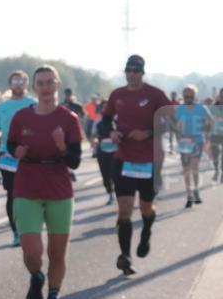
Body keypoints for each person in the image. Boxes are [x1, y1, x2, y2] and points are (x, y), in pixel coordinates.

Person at [8, 66, 83, 299]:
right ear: (35, 87)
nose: (46, 87)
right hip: (27, 185)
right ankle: (36, 276)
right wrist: (16, 151)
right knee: (31, 251)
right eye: (41, 83)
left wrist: (62, 146)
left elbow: (75, 162)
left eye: (50, 83)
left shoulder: (69, 119)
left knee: (57, 253)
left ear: (58, 85)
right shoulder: (21, 117)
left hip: (59, 189)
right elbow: (10, 144)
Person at [97, 54, 174, 276]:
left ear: (142, 72)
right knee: (124, 211)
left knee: (146, 208)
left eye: (135, 71)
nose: (131, 74)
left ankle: (147, 230)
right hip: (124, 159)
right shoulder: (117, 95)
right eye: (128, 71)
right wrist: (111, 131)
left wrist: (148, 132)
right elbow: (104, 121)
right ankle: (126, 256)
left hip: (149, 161)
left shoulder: (155, 94)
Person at [0, 71, 37, 245]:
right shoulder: (1, 106)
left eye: (21, 81)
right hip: (7, 155)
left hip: (30, 155)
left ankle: (32, 226)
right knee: (12, 194)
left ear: (26, 84)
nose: (18, 84)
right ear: (10, 84)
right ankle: (17, 232)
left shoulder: (33, 103)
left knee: (30, 193)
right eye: (14, 81)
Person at [172, 84, 213, 208]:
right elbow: (174, 125)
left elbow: (210, 122)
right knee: (186, 169)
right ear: (183, 96)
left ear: (195, 96)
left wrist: (207, 135)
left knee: (194, 166)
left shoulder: (201, 108)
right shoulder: (179, 109)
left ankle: (196, 190)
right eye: (185, 96)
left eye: (190, 96)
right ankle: (189, 194)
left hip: (197, 141)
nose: (188, 98)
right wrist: (178, 135)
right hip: (184, 142)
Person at [91, 97, 117, 205]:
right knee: (105, 174)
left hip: (117, 151)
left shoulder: (117, 119)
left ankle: (119, 193)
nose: (106, 108)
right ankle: (110, 193)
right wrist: (95, 141)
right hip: (102, 151)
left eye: (108, 106)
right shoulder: (98, 120)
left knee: (115, 173)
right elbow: (93, 135)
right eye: (104, 107)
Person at [209, 90, 223, 182]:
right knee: (215, 154)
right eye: (221, 96)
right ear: (219, 96)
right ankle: (216, 170)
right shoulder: (212, 108)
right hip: (214, 134)